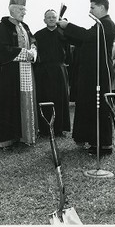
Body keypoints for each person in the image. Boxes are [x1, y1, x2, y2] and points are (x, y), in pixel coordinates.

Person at [57, 0, 115, 155]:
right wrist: (64, 30)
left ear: (102, 7)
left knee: (100, 107)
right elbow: (84, 41)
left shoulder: (106, 25)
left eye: (92, 7)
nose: (90, 11)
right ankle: (93, 140)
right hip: (92, 72)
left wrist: (68, 25)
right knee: (91, 106)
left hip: (100, 73)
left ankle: (104, 145)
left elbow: (86, 36)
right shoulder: (99, 25)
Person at [0, 0, 39, 149]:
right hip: (10, 72)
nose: (24, 13)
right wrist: (25, 53)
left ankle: (24, 135)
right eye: (22, 10)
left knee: (25, 100)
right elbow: (2, 50)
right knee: (10, 103)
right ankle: (8, 138)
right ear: (14, 10)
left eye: (24, 10)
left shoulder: (25, 26)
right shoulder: (3, 26)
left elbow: (33, 41)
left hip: (26, 71)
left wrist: (34, 51)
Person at [34, 9, 71, 137]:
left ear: (57, 19)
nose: (51, 19)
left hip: (59, 70)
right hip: (42, 71)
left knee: (60, 99)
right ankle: (44, 129)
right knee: (43, 97)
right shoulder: (37, 35)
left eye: (53, 17)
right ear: (44, 20)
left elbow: (68, 55)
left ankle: (59, 128)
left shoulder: (63, 35)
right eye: (48, 17)